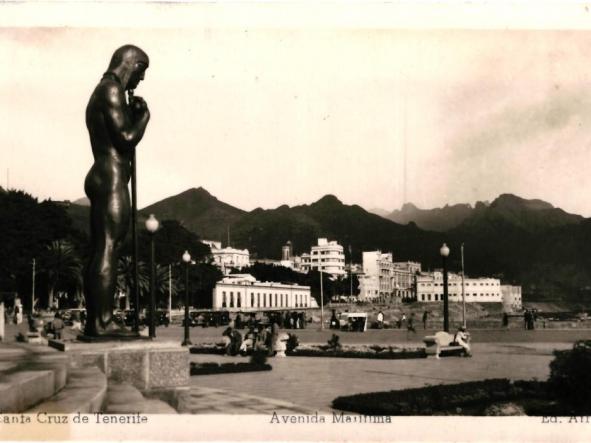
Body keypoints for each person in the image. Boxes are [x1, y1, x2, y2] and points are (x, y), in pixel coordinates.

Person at [83, 45, 151, 337]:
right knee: (108, 248)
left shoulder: (104, 92)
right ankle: (102, 322)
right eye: (142, 71)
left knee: (105, 247)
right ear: (131, 64)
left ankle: (96, 320)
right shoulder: (110, 90)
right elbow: (125, 138)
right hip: (110, 176)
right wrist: (144, 116)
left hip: (107, 174)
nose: (142, 79)